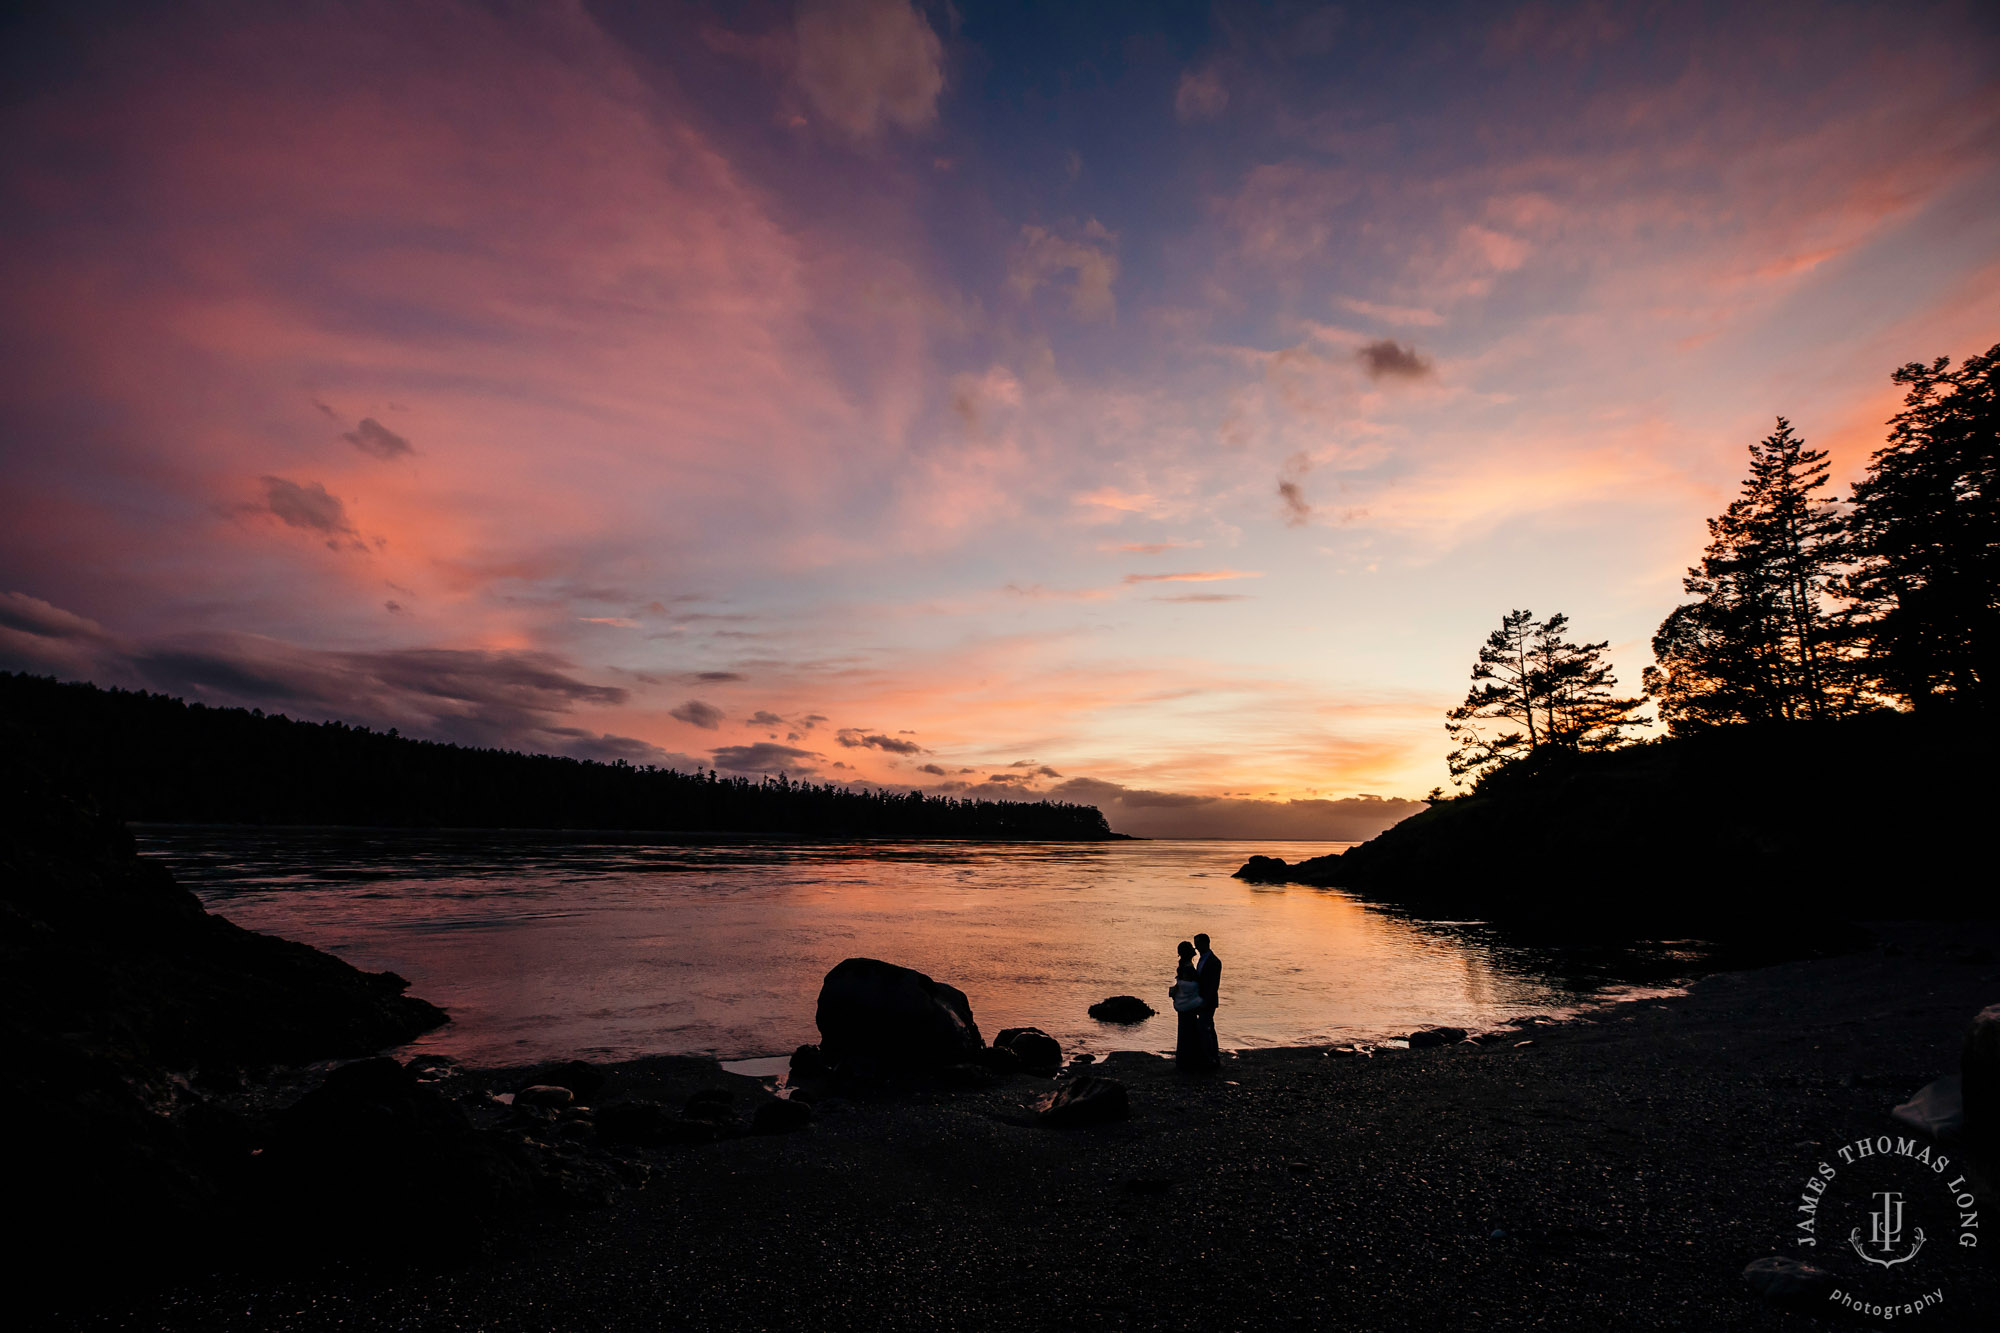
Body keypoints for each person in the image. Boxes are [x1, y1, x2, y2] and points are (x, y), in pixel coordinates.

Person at [1168, 940, 1209, 1070]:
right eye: (1192, 948)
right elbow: (1189, 986)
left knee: (1185, 1031)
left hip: (1184, 1004)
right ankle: (1188, 1061)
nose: (1195, 949)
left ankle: (1184, 1060)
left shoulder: (1185, 966)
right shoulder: (1188, 968)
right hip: (1189, 1005)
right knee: (1189, 1032)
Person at [1194, 932, 1221, 1064]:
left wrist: (1205, 1001)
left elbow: (1213, 985)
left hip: (1208, 1001)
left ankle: (1211, 1056)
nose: (1196, 947)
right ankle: (1210, 1055)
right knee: (1207, 1027)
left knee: (1205, 1027)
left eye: (1198, 944)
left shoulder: (1214, 961)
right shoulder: (1202, 959)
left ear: (1205, 943)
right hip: (1201, 999)